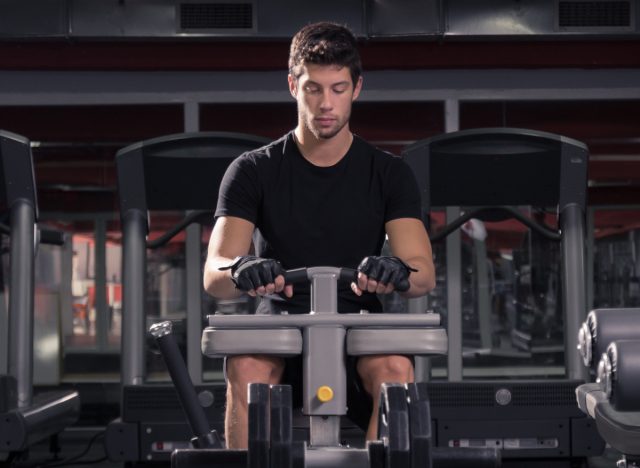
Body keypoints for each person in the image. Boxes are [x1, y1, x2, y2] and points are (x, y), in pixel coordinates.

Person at [203, 21, 435, 448]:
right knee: (246, 366)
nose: (326, 103)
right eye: (313, 88)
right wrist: (242, 268)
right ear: (293, 85)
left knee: (397, 372)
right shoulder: (253, 170)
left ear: (357, 89)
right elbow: (214, 273)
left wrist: (397, 269)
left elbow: (422, 276)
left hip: (359, 328)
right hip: (279, 328)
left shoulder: (389, 174)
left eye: (338, 88)